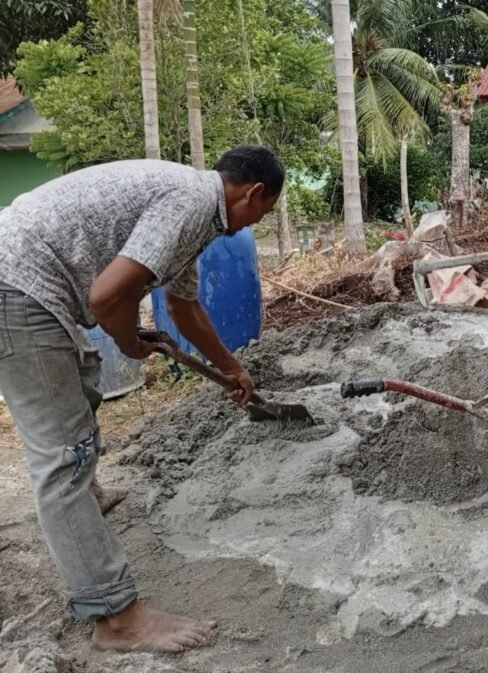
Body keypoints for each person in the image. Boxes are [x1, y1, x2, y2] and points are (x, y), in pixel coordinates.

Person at [0, 145, 284, 652]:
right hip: (17, 286)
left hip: (35, 283)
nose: (248, 229)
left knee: (84, 374)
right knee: (64, 458)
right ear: (254, 192)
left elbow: (183, 306)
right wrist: (131, 342)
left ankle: (87, 497)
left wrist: (231, 367)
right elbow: (108, 297)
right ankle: (115, 618)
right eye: (259, 215)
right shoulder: (191, 203)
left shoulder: (198, 216)